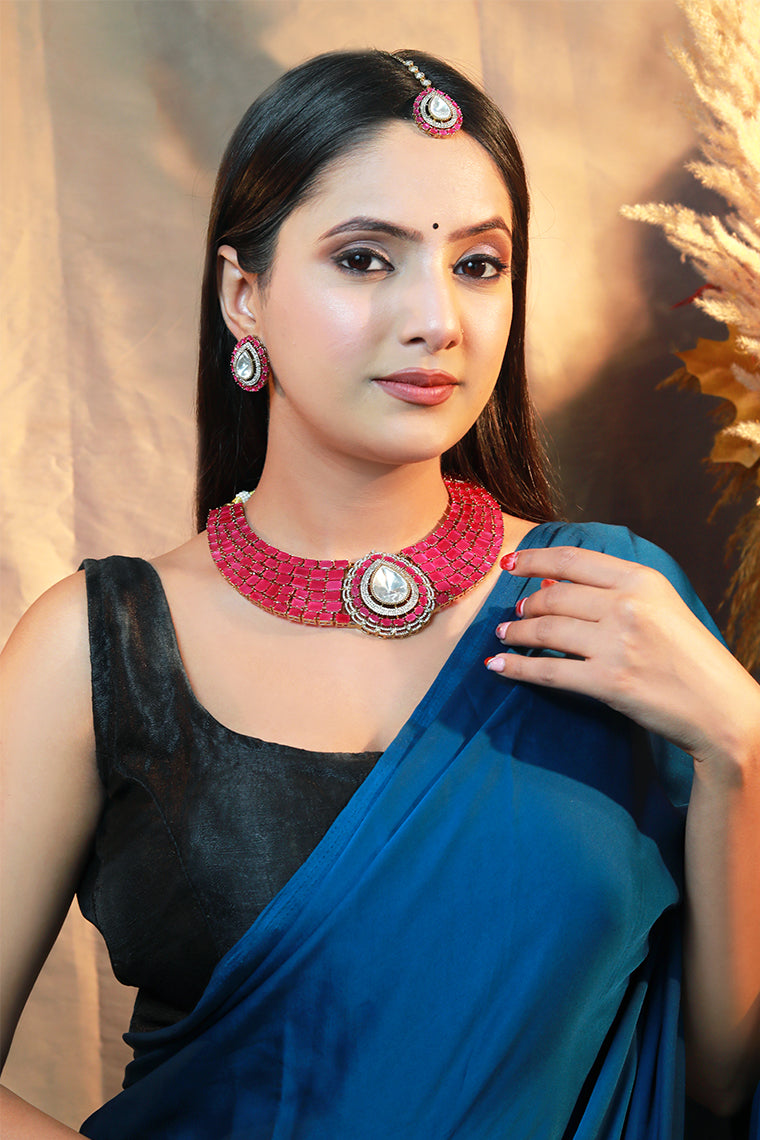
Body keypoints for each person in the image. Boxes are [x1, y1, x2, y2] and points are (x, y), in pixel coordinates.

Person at [1, 48, 758, 1140]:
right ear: (243, 296)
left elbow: (716, 1082)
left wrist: (740, 743)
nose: (436, 319)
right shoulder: (97, 649)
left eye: (479, 266)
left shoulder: (614, 607)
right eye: (365, 259)